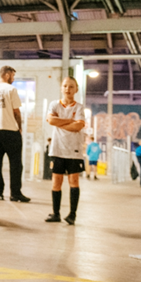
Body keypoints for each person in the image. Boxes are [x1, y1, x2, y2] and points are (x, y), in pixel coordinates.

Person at [0, 65, 29, 202]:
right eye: (13, 76)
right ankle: (15, 193)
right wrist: (19, 128)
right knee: (15, 163)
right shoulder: (11, 89)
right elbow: (16, 111)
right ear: (8, 75)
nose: (13, 79)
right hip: (10, 130)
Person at [45, 77, 86, 225]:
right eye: (65, 86)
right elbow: (50, 121)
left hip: (74, 150)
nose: (68, 89)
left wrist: (59, 122)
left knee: (73, 181)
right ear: (61, 88)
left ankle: (72, 214)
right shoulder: (54, 104)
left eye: (71, 86)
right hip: (57, 149)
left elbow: (78, 127)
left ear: (76, 89)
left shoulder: (79, 107)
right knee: (56, 181)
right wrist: (70, 121)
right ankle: (55, 213)